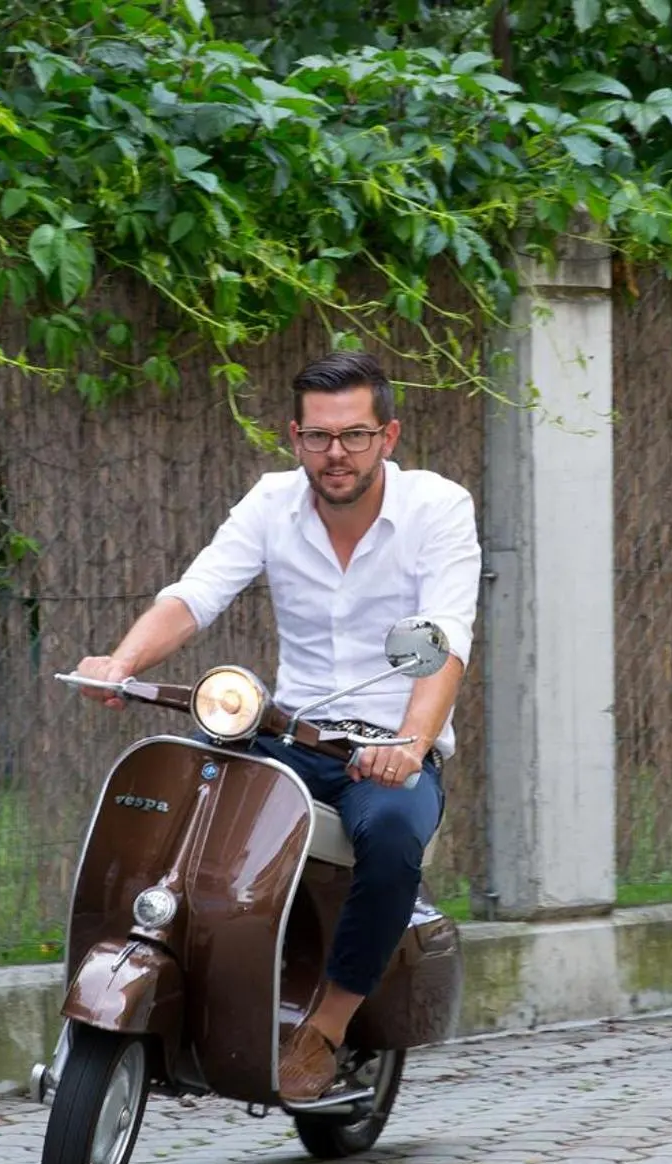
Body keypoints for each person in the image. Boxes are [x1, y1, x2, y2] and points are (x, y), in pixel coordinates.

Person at [73, 351, 481, 1103]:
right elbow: (196, 595)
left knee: (391, 839)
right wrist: (119, 661)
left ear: (388, 436)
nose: (337, 454)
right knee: (169, 799)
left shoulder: (438, 508)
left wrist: (411, 746)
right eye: (320, 437)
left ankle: (325, 1026)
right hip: (287, 737)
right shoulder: (270, 503)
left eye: (355, 436)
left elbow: (446, 638)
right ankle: (160, 975)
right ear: (294, 437)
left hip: (385, 751)